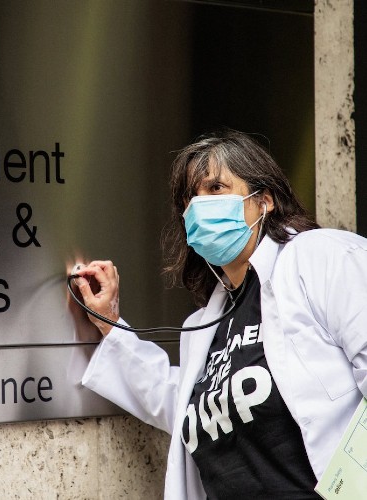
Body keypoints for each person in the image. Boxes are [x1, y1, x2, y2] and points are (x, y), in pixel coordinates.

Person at [72, 130, 367, 499]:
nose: (200, 205)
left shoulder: (320, 257)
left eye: (215, 188)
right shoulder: (204, 324)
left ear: (265, 200)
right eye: (190, 197)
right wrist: (110, 326)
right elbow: (180, 403)